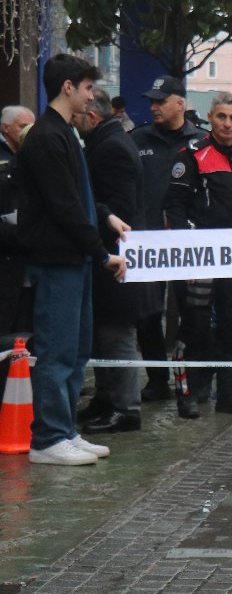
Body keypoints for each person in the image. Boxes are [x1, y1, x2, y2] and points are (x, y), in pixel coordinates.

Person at [15, 53, 129, 465]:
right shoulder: (47, 136)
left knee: (77, 350)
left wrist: (107, 217)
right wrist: (102, 255)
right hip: (58, 261)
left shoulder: (64, 134)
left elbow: (78, 197)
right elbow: (63, 205)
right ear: (68, 87)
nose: (91, 97)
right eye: (86, 88)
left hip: (74, 261)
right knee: (58, 352)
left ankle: (64, 430)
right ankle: (48, 438)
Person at [164, 92, 232, 418]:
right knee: (194, 327)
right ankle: (190, 394)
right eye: (221, 117)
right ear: (210, 118)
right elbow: (174, 207)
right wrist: (186, 255)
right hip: (200, 260)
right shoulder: (192, 156)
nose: (227, 123)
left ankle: (230, 394)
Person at [74, 88, 152, 434]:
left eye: (77, 117)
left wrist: (103, 247)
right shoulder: (111, 142)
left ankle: (125, 408)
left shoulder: (111, 148)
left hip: (115, 258)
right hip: (110, 256)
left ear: (92, 117)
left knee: (116, 333)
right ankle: (107, 400)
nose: (74, 123)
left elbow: (118, 206)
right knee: (104, 334)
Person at [130, 76, 208, 403]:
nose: (154, 106)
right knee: (147, 314)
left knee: (194, 311)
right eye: (152, 100)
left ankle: (192, 379)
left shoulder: (201, 141)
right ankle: (157, 378)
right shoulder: (136, 139)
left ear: (181, 103)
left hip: (187, 242)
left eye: (161, 100)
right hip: (147, 242)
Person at [0, 105, 34, 335]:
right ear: (6, 128)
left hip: (26, 259)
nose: (29, 131)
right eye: (23, 126)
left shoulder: (31, 153)